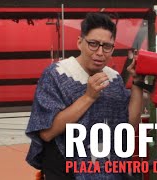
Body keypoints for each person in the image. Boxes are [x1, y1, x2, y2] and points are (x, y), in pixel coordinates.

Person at [25, 13, 143, 180]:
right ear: (80, 42)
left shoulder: (114, 79)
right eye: (93, 44)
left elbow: (127, 126)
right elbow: (47, 132)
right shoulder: (56, 74)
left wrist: (137, 84)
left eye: (107, 46)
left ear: (113, 49)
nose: (100, 52)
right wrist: (89, 97)